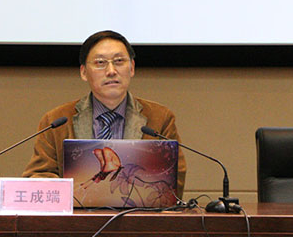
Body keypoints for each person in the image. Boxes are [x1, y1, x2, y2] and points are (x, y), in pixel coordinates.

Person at [22, 30, 187, 197]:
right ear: (83, 72)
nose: (111, 71)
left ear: (132, 68)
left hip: (138, 212)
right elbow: (38, 176)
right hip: (76, 212)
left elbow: (174, 178)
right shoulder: (56, 121)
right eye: (100, 62)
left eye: (119, 61)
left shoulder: (160, 119)